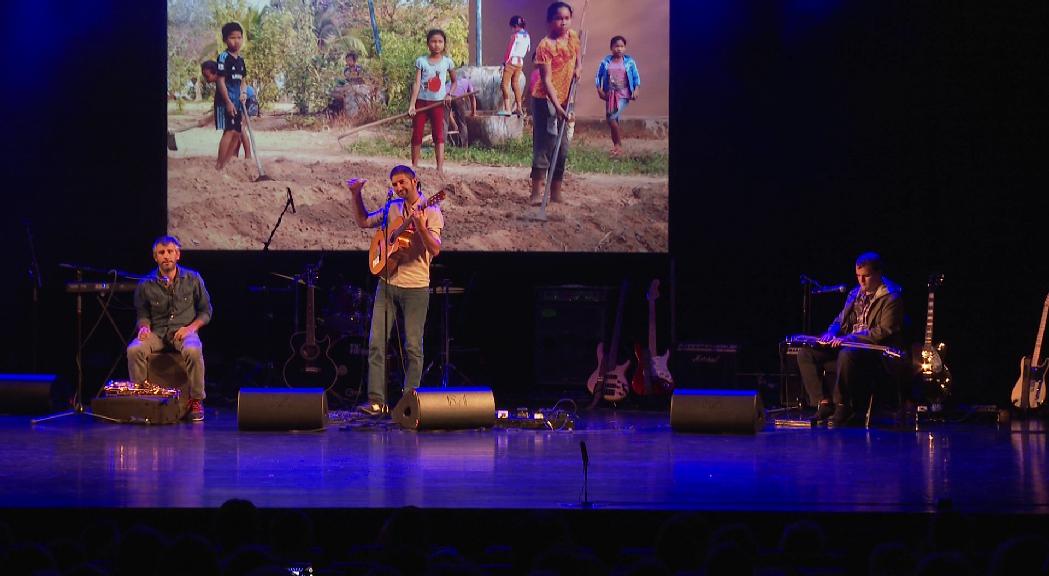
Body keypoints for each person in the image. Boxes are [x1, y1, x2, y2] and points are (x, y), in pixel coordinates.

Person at [345, 166, 444, 415]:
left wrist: (420, 227)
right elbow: (363, 221)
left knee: (413, 347)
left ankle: (409, 403)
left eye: (402, 183)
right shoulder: (393, 208)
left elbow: (435, 249)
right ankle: (377, 402)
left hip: (416, 288)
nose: (398, 188)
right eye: (394, 185)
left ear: (414, 181)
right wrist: (356, 194)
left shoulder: (432, 210)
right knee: (376, 343)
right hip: (387, 284)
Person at [796, 252, 904, 426]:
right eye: (858, 276)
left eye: (866, 276)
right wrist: (831, 333)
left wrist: (850, 337)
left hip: (873, 350)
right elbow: (840, 319)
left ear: (878, 273)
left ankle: (843, 405)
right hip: (848, 343)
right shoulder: (855, 293)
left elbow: (883, 331)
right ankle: (823, 403)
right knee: (805, 354)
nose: (861, 281)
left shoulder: (892, 296)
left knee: (847, 354)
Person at [127, 236, 213, 422]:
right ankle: (142, 398)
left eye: (170, 252)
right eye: (161, 253)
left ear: (178, 254)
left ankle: (196, 400)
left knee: (193, 349)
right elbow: (142, 313)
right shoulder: (145, 283)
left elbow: (206, 311)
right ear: (155, 257)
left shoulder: (193, 279)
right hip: (156, 333)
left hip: (184, 332)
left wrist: (191, 328)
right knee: (134, 349)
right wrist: (143, 327)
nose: (166, 256)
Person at [529, 2, 582, 206]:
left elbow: (577, 54)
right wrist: (558, 108)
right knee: (545, 143)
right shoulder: (545, 46)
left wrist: (578, 68)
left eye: (567, 18)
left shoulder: (573, 37)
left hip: (566, 98)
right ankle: (536, 192)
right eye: (559, 18)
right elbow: (547, 80)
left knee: (562, 146)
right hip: (545, 100)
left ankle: (556, 192)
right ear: (549, 21)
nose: (563, 22)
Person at [408, 29, 457, 175]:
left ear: (444, 44)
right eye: (433, 41)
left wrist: (449, 94)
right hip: (421, 103)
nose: (436, 45)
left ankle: (439, 169)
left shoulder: (448, 62)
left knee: (439, 134)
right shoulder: (421, 61)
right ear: (428, 44)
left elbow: (454, 82)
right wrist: (412, 105)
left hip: (438, 104)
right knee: (417, 134)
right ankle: (415, 166)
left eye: (440, 42)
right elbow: (417, 84)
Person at [200, 61, 256, 162]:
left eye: (207, 76)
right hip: (237, 100)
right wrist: (206, 120)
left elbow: (230, 101)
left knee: (240, 128)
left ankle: (248, 157)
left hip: (246, 98)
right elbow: (221, 107)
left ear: (216, 73)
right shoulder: (220, 84)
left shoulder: (224, 82)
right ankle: (234, 156)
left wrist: (207, 120)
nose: (205, 79)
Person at [595, 36, 641, 158]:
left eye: (622, 46)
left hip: (624, 94)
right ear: (611, 48)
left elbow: (636, 77)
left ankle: (618, 145)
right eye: (616, 46)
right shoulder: (606, 61)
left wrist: (636, 89)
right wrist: (599, 90)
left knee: (611, 118)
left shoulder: (629, 62)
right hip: (610, 95)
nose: (619, 49)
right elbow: (598, 76)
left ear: (625, 48)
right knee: (613, 120)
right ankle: (616, 148)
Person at [215, 22, 250, 170]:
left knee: (237, 133)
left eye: (239, 37)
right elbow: (220, 81)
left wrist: (243, 93)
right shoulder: (223, 57)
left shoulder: (241, 61)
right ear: (225, 40)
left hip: (238, 102)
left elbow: (243, 81)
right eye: (232, 37)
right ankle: (219, 166)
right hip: (225, 102)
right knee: (229, 132)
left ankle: (226, 165)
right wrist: (228, 102)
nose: (236, 41)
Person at [499, 15, 530, 116]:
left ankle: (507, 109)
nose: (512, 29)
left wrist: (504, 63)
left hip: (511, 62)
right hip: (520, 62)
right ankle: (519, 108)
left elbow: (509, 51)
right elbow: (528, 49)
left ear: (516, 26)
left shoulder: (514, 36)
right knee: (515, 85)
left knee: (504, 84)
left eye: (512, 27)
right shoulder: (527, 36)